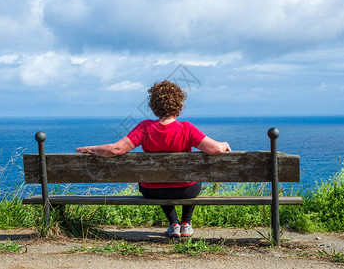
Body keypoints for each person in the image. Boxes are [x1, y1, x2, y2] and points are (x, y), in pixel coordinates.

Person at [76, 80, 231, 237]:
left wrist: (90, 149)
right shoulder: (186, 128)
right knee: (194, 177)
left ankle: (173, 224)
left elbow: (116, 149)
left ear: (154, 107)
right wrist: (224, 144)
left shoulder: (145, 127)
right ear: (179, 106)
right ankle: (186, 223)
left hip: (153, 191)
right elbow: (215, 149)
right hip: (186, 191)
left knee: (160, 181)